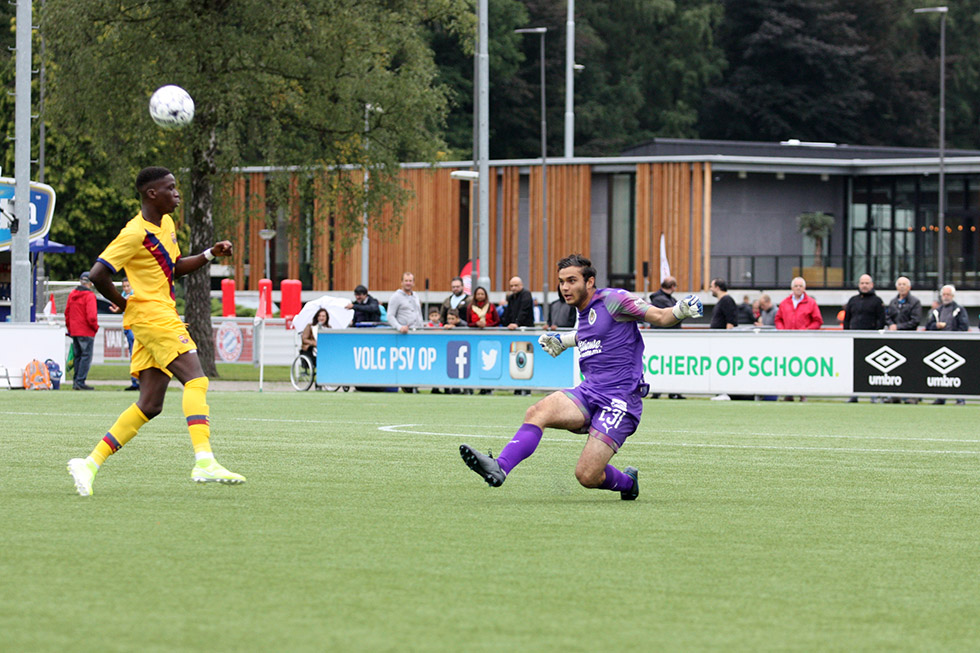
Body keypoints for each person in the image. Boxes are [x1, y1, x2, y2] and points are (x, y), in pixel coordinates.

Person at [459, 254, 702, 500]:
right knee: (537, 412)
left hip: (620, 401)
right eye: (562, 281)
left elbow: (660, 316)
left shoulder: (614, 299)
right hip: (589, 392)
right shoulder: (583, 311)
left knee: (587, 476)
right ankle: (500, 466)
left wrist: (680, 310)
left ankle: (628, 483)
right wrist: (563, 341)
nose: (565, 287)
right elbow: (590, 333)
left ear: (589, 282)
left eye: (572, 280)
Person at [67, 166, 244, 496]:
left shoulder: (167, 224)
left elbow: (173, 268)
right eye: (171, 188)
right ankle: (204, 460)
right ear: (152, 194)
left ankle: (89, 463)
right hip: (152, 318)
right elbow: (98, 273)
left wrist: (209, 254)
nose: (177, 193)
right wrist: (123, 302)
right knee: (197, 379)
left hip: (158, 315)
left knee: (150, 404)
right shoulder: (134, 233)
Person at [774, 277, 822, 402]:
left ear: (804, 288)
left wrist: (807, 330)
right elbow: (778, 319)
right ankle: (788, 393)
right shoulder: (785, 303)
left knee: (802, 367)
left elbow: (818, 321)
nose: (798, 288)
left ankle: (802, 393)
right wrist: (782, 330)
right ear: (792, 288)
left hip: (804, 341)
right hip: (788, 341)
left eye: (801, 286)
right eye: (796, 286)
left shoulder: (811, 303)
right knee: (787, 367)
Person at [844, 274, 886, 403]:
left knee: (871, 367)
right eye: (862, 283)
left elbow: (881, 320)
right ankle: (854, 395)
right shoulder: (853, 300)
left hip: (870, 340)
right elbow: (847, 320)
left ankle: (873, 395)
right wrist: (847, 334)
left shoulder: (877, 301)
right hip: (854, 339)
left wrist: (874, 335)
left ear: (871, 285)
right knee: (854, 368)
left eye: (867, 283)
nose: (864, 286)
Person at [885, 276, 922, 404]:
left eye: (904, 284)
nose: (901, 286)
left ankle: (913, 396)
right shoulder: (893, 302)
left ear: (909, 287)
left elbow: (915, 321)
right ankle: (895, 395)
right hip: (895, 340)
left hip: (909, 340)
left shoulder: (915, 302)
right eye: (899, 284)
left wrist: (899, 327)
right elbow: (888, 317)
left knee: (911, 368)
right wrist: (891, 325)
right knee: (895, 367)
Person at [65, 271, 99, 390]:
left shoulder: (72, 294)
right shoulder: (89, 296)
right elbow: (91, 316)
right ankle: (80, 381)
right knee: (86, 356)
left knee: (78, 356)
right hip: (86, 331)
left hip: (75, 331)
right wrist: (95, 328)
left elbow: (67, 313)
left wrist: (70, 329)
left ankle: (76, 381)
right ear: (90, 283)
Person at [110, 277, 140, 390]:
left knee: (136, 355)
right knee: (133, 355)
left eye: (128, 286)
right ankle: (135, 381)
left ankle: (139, 382)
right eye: (124, 286)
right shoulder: (123, 296)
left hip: (135, 329)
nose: (126, 288)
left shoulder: (133, 296)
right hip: (128, 328)